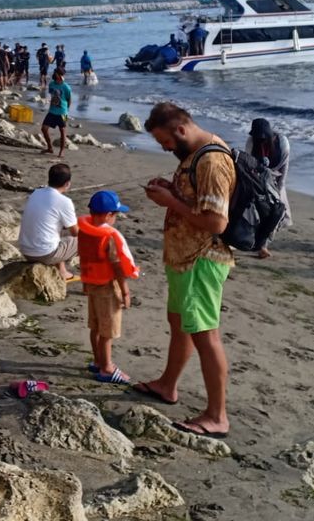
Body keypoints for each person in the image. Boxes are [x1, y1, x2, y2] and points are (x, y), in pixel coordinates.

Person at [136, 102, 234, 439]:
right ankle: (167, 385)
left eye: (164, 140)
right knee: (179, 324)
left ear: (180, 129)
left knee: (206, 335)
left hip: (202, 259)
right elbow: (198, 201)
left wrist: (171, 202)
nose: (164, 148)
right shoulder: (193, 157)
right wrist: (173, 189)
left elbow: (217, 221)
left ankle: (217, 416)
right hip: (184, 257)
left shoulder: (212, 160)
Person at [79, 190, 140, 385]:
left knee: (95, 326)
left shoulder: (85, 230)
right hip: (107, 287)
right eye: (115, 214)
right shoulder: (109, 236)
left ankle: (97, 360)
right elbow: (116, 266)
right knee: (107, 331)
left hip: (91, 285)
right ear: (107, 215)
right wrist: (125, 291)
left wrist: (84, 284)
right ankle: (106, 368)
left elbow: (84, 259)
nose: (116, 218)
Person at [17, 163, 79, 281]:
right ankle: (91, 278)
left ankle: (62, 271)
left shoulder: (37, 192)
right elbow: (76, 233)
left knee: (56, 229)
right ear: (67, 183)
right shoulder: (64, 201)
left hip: (26, 250)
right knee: (86, 240)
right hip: (44, 254)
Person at [245, 118, 291, 259]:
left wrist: (279, 187)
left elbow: (284, 166)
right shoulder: (251, 142)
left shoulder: (282, 143)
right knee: (256, 209)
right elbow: (249, 164)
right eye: (259, 138)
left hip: (276, 179)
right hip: (258, 178)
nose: (261, 140)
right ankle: (253, 240)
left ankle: (264, 245)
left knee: (277, 211)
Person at [41, 68, 72, 157]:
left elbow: (69, 100)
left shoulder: (66, 87)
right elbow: (52, 96)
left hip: (63, 112)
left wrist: (66, 111)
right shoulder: (51, 84)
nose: (54, 74)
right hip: (52, 111)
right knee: (44, 128)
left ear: (60, 75)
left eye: (56, 73)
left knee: (62, 130)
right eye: (54, 72)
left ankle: (62, 151)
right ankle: (50, 147)